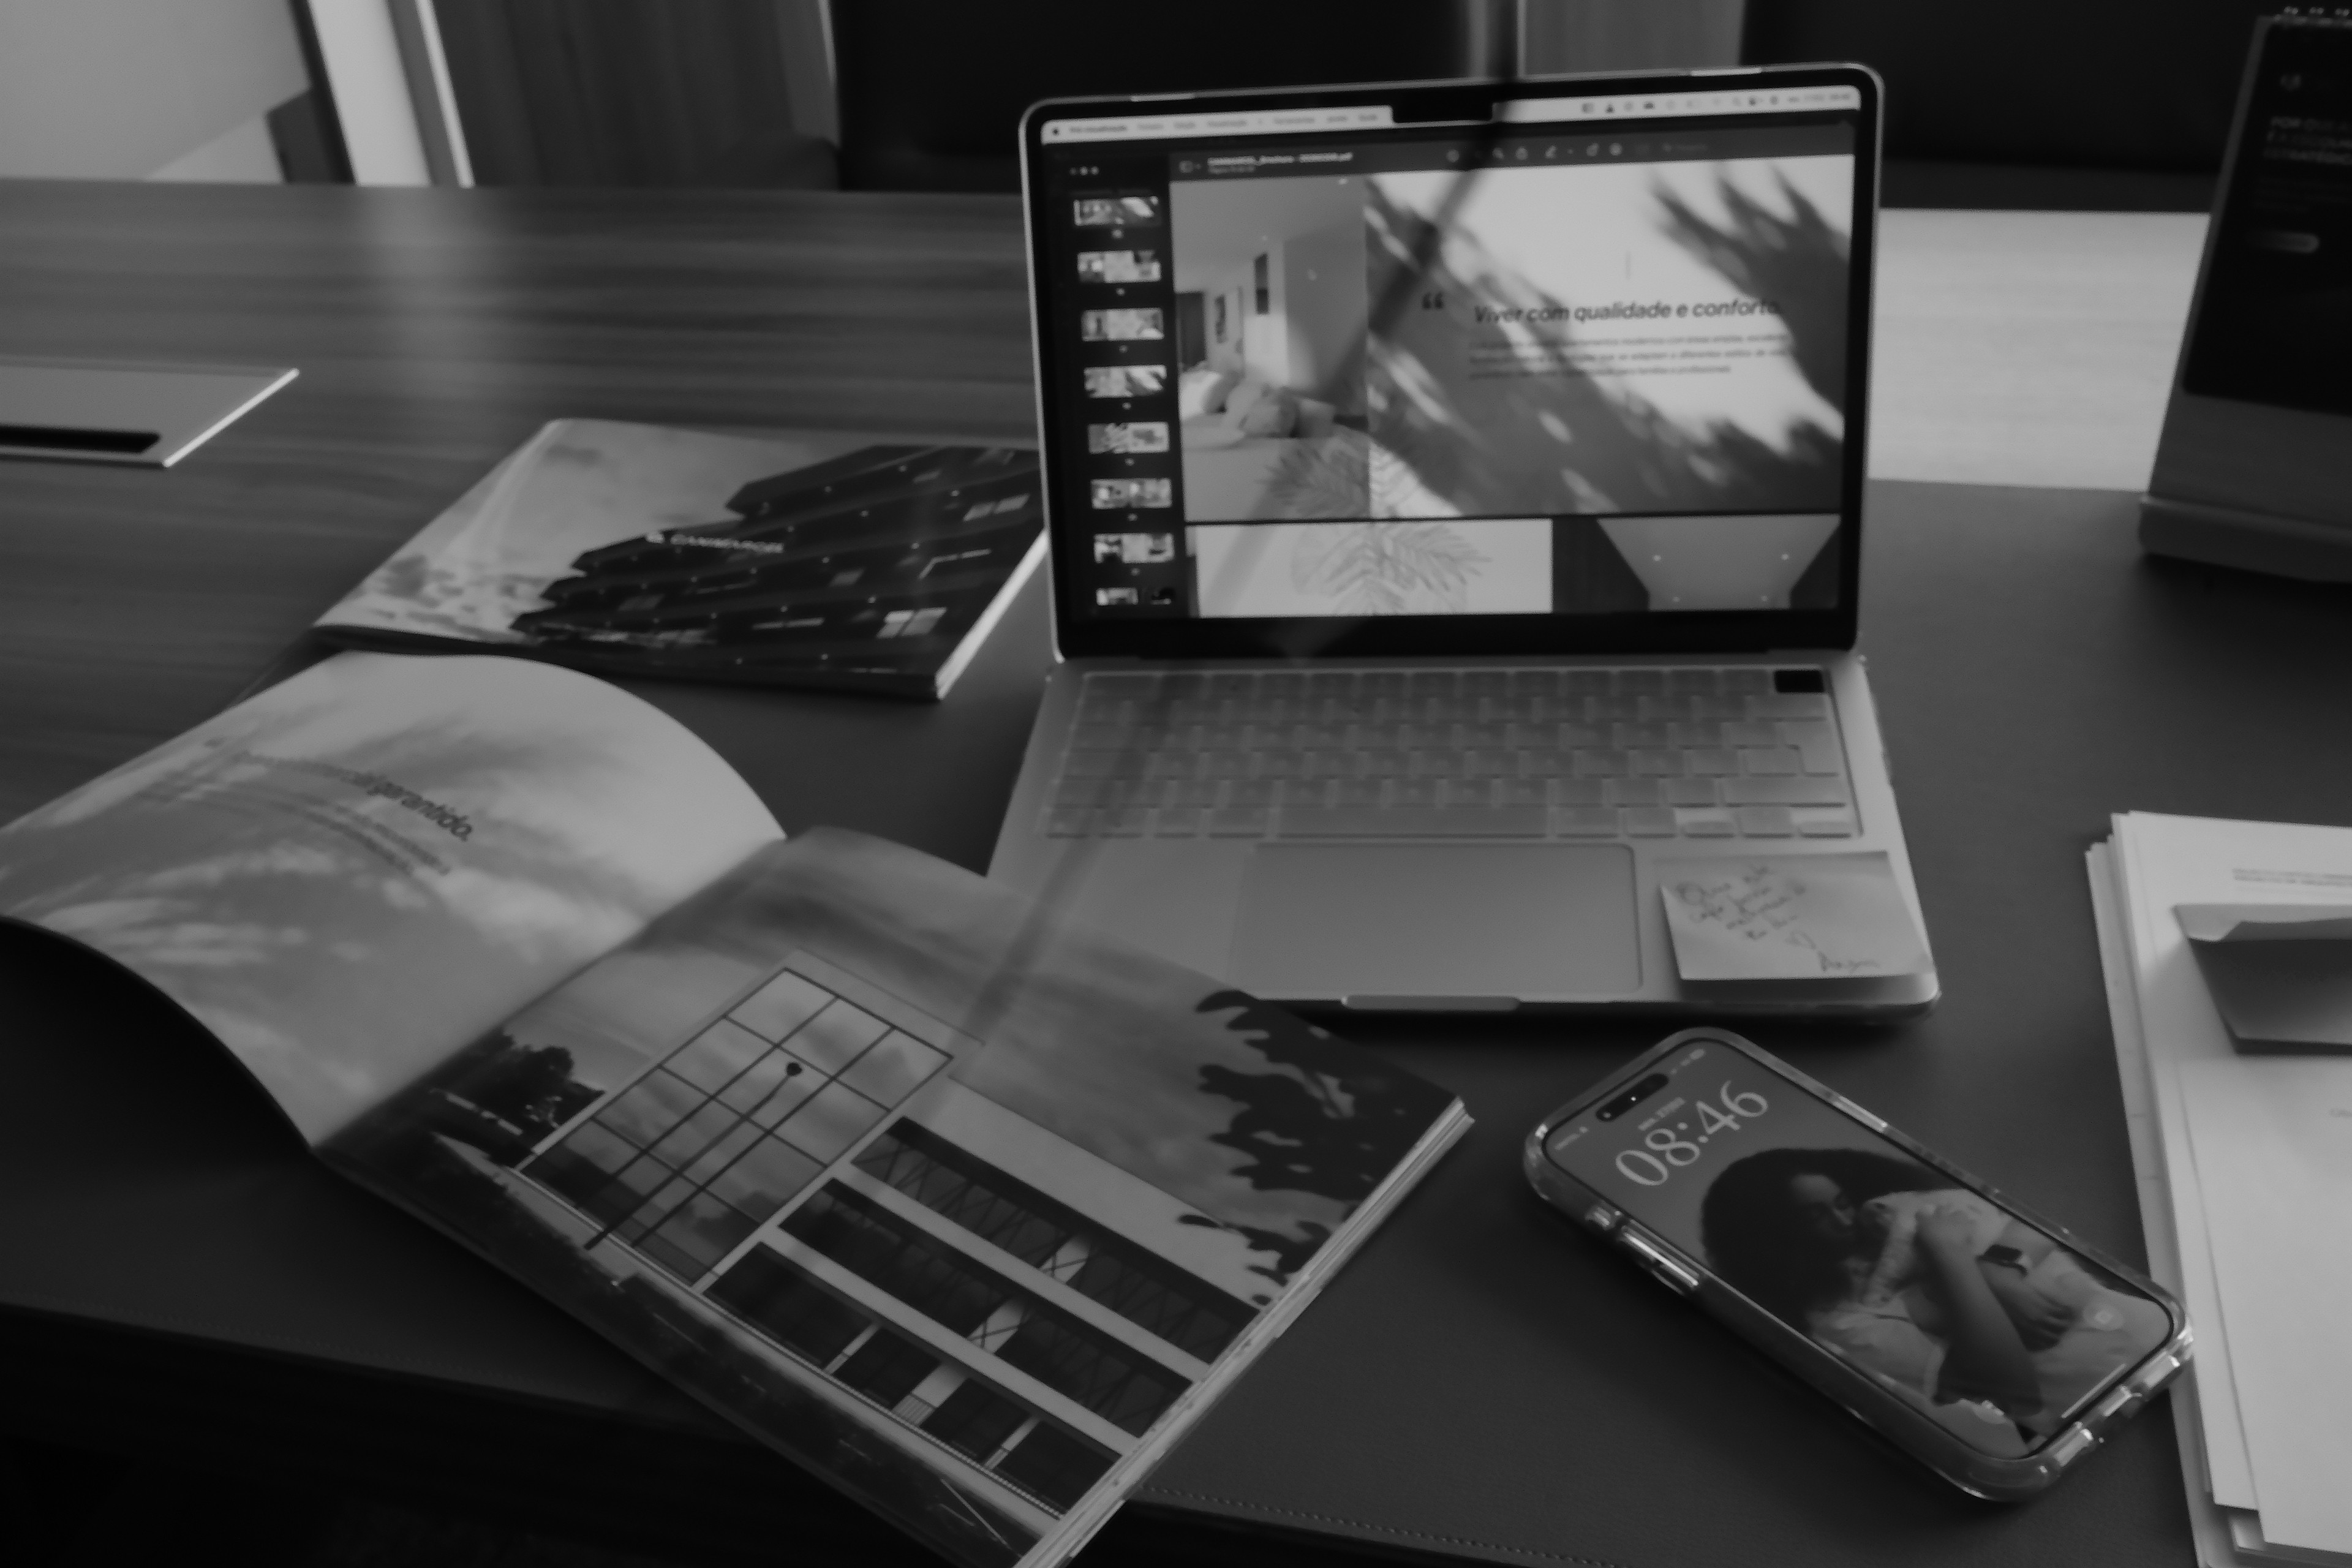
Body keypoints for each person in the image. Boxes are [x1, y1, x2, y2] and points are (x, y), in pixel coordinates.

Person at [1698, 1147, 2167, 1450]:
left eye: (1842, 1202)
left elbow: (2020, 1225)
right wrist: (1950, 1257)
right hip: (2094, 1408)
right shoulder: (1841, 1324)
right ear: (1774, 1240)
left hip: (2145, 1329)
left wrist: (1997, 1270)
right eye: (1816, 1217)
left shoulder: (1895, 1213)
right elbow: (2013, 1390)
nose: (1843, 1222)